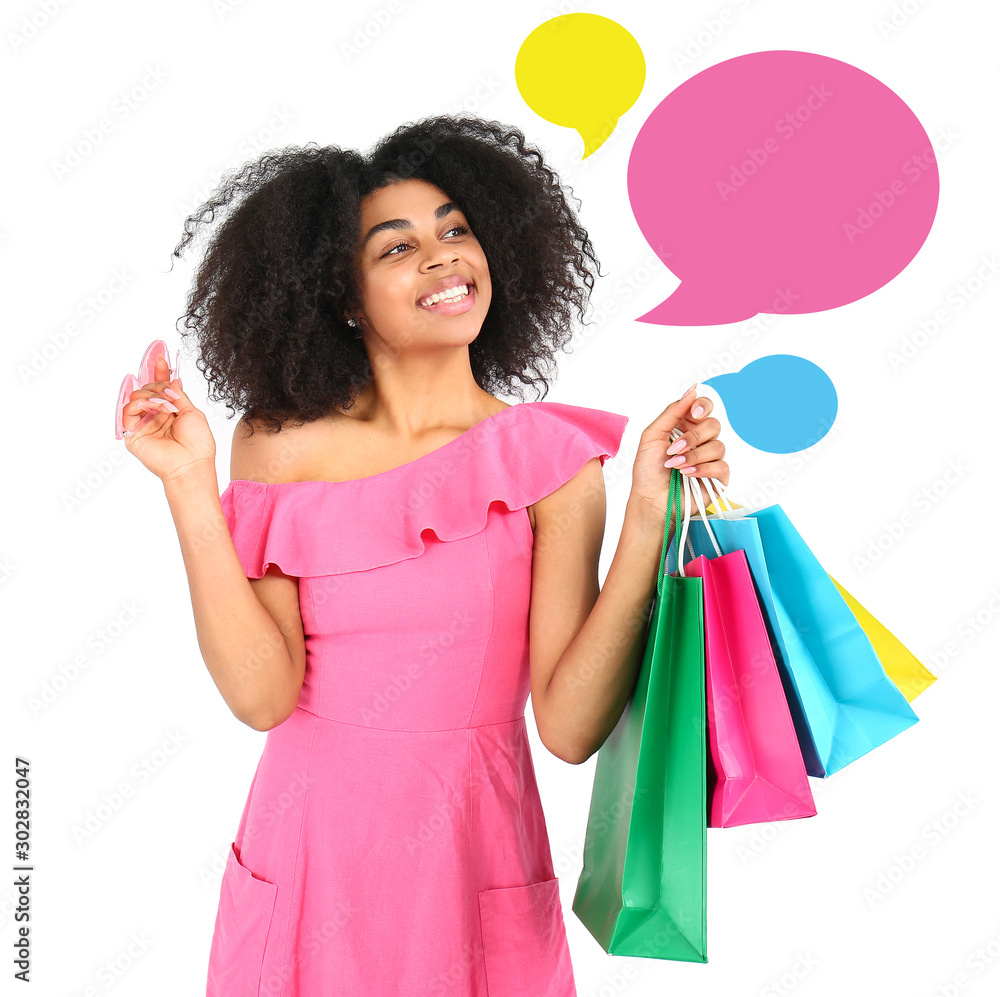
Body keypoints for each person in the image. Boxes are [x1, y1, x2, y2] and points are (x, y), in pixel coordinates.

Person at [121, 115, 729, 996]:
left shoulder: (551, 461)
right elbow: (261, 694)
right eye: (397, 247)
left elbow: (567, 728)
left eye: (454, 229)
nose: (443, 256)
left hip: (475, 849)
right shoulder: (279, 445)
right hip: (311, 849)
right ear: (340, 297)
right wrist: (188, 485)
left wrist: (646, 517)